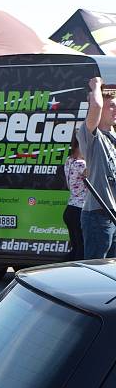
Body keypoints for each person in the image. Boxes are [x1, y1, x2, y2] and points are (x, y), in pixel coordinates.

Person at [79, 77, 116, 258]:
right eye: (112, 106)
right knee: (95, 271)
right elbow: (96, 106)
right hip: (98, 215)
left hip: (113, 215)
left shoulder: (112, 137)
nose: (115, 110)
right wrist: (96, 85)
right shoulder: (92, 135)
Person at [63, 133, 87, 261]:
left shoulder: (69, 160)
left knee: (77, 248)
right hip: (80, 209)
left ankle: (60, 269)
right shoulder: (82, 164)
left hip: (70, 208)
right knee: (81, 249)